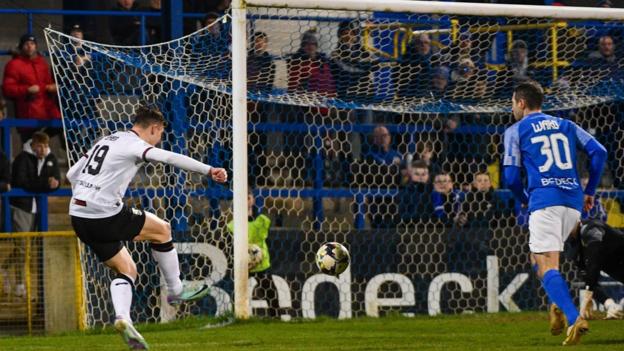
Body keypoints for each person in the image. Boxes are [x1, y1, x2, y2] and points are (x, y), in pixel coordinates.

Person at [67, 106, 227, 349]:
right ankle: (175, 290)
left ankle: (123, 319)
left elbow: (71, 174)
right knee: (162, 229)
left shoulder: (107, 139)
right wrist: (208, 170)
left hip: (78, 216)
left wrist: (88, 198)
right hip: (103, 214)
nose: (159, 138)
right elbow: (170, 158)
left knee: (127, 269)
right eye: (160, 133)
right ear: (154, 128)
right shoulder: (134, 144)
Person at [503, 81, 607, 345]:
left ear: (521, 103)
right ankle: (557, 307)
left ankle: (575, 318)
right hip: (572, 204)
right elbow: (599, 152)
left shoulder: (516, 130)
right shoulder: (566, 125)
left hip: (545, 201)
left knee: (545, 263)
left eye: (513, 102)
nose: (512, 107)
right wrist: (590, 191)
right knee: (541, 258)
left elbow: (511, 177)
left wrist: (524, 200)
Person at [227, 191, 278, 317]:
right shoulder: (231, 225)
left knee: (270, 293)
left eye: (248, 197)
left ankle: (276, 318)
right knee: (237, 292)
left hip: (261, 263)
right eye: (243, 198)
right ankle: (237, 316)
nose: (246, 200)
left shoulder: (262, 221)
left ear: (253, 200)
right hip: (242, 263)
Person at [2, 34, 61, 143]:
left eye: (32, 44)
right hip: (28, 113)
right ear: (21, 46)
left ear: (36, 46)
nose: (30, 46)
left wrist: (53, 87)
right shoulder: (14, 65)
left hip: (47, 111)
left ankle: (39, 141)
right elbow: (8, 89)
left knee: (62, 126)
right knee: (29, 150)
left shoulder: (42, 63)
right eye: (26, 44)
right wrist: (27, 90)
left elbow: (47, 83)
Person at [564, 219, 624, 321]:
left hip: (620, 254)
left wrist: (588, 294)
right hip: (612, 263)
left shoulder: (591, 228)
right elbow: (587, 275)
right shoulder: (572, 243)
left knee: (591, 275)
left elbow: (594, 260)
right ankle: (611, 306)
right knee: (588, 277)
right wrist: (607, 303)